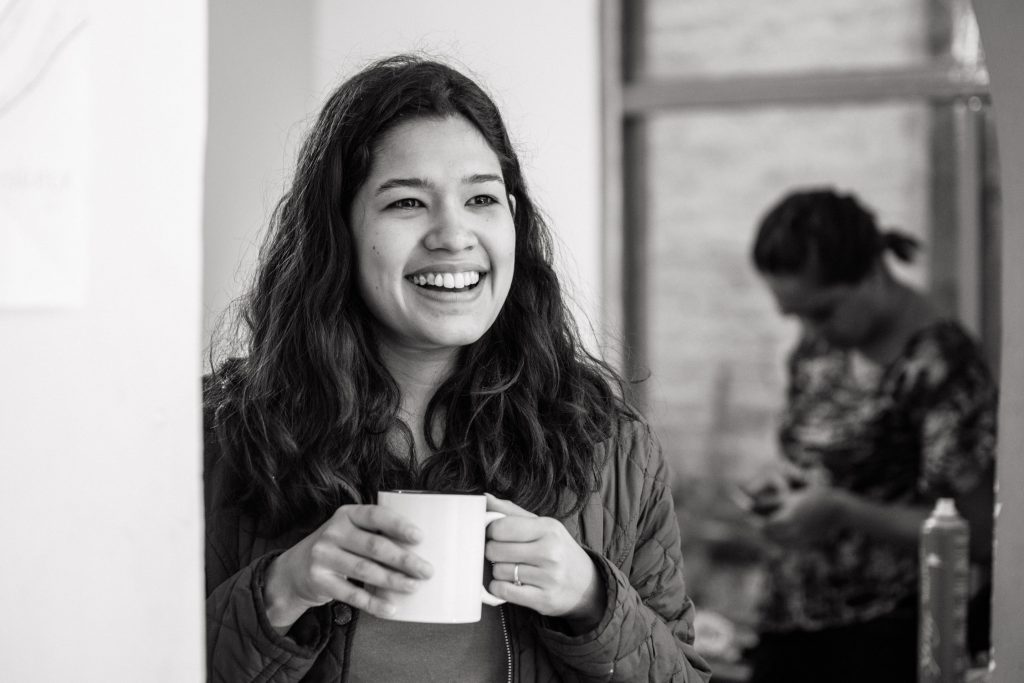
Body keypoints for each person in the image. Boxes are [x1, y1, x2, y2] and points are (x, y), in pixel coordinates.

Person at [203, 54, 712, 682]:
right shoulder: (222, 437)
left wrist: (591, 600)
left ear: (514, 224)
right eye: (408, 202)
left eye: (480, 198)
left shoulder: (612, 445)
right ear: (338, 230)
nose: (454, 233)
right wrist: (281, 590)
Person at [740, 188, 997, 683]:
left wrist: (842, 511)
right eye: (795, 315)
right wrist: (784, 485)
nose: (809, 330)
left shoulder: (941, 364)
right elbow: (817, 459)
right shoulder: (821, 346)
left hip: (887, 634)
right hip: (791, 617)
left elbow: (976, 532)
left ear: (873, 274)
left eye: (822, 311)